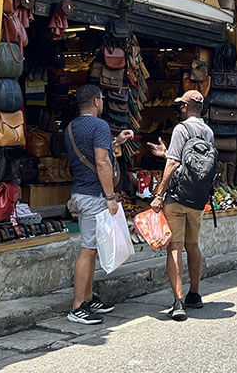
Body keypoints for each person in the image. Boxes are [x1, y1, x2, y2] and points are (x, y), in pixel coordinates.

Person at [65, 84, 133, 325]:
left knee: (91, 249)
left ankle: (88, 297)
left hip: (80, 193)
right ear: (96, 101)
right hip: (95, 196)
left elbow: (90, 153)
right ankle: (78, 307)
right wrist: (111, 197)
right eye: (102, 99)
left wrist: (116, 141)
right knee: (88, 249)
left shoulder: (72, 127)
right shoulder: (99, 125)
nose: (103, 102)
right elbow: (102, 162)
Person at [148, 89, 216, 321]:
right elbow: (197, 163)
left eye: (181, 106)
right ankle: (194, 295)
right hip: (197, 199)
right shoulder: (208, 131)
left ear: (186, 108)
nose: (180, 109)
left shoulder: (181, 129)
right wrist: (165, 153)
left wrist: (159, 194)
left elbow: (175, 164)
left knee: (174, 247)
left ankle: (178, 302)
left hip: (176, 198)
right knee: (193, 246)